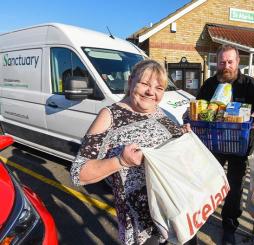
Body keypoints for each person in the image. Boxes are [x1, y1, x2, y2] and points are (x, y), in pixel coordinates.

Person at [70, 60, 195, 245]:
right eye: (144, 83)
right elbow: (78, 173)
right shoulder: (110, 116)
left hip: (177, 211)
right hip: (145, 227)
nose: (151, 92)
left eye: (159, 88)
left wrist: (182, 138)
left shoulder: (162, 113)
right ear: (130, 82)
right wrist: (120, 161)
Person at [196, 44, 254, 244]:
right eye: (222, 62)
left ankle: (229, 224)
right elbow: (198, 108)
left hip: (239, 145)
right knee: (209, 181)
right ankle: (202, 214)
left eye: (230, 61)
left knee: (235, 187)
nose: (226, 65)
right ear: (216, 63)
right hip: (213, 143)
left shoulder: (249, 84)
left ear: (237, 63)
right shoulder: (209, 85)